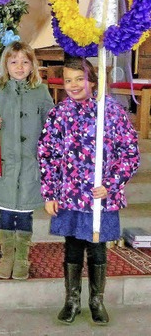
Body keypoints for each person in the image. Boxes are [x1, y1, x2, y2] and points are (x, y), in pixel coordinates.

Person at [38, 57, 139, 325]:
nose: (73, 85)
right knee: (72, 246)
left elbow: (130, 154)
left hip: (100, 197)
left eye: (79, 79)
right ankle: (71, 300)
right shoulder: (59, 114)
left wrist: (111, 184)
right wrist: (49, 193)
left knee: (97, 248)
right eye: (68, 80)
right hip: (69, 195)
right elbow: (46, 154)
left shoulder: (111, 113)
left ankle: (97, 300)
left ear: (93, 81)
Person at [0, 42, 53, 280]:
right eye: (14, 62)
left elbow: (52, 121)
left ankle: (21, 258)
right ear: (5, 65)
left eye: (25, 62)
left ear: (33, 65)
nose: (19, 67)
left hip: (29, 163)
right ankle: (8, 256)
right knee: (6, 213)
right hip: (4, 162)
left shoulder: (41, 91)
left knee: (25, 213)